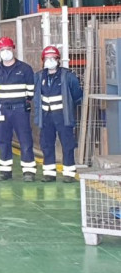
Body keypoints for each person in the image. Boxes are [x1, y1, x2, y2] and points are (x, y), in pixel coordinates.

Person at [0, 37, 37, 181]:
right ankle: (5, 171)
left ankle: (28, 171)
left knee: (25, 139)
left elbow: (31, 91)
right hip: (2, 110)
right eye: (2, 50)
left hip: (20, 110)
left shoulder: (24, 69)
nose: (5, 52)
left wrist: (22, 102)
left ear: (13, 49)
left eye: (8, 49)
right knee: (3, 140)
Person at [35, 45, 82, 182]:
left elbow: (77, 94)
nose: (50, 60)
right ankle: (49, 173)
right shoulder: (38, 76)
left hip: (63, 116)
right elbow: (35, 94)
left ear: (58, 59)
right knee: (46, 144)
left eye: (53, 58)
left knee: (67, 144)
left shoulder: (67, 76)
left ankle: (69, 174)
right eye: (47, 58)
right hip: (46, 117)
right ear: (43, 60)